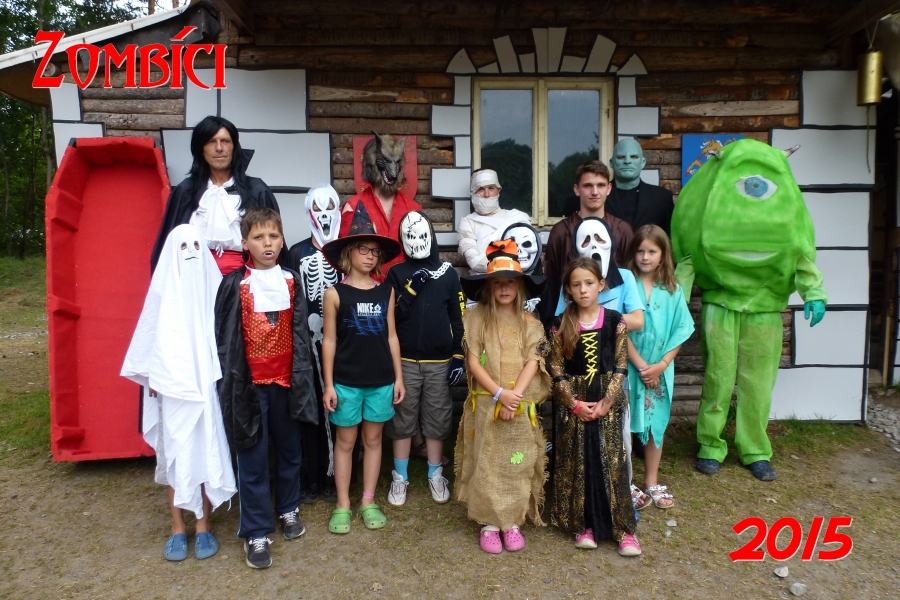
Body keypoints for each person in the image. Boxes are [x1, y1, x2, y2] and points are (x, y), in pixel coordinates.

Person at [672, 139, 827, 481]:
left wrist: (814, 292)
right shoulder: (707, 195)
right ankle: (710, 445)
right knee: (718, 378)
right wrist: (676, 302)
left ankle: (755, 449)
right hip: (721, 304)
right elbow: (688, 256)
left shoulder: (787, 206)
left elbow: (799, 249)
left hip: (766, 308)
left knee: (758, 383)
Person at [122, 224, 236, 562]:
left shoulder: (215, 289)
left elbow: (226, 335)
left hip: (206, 386)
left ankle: (203, 525)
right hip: (171, 387)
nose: (190, 252)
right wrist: (153, 377)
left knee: (204, 450)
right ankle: (176, 527)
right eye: (183, 246)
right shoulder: (161, 291)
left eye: (196, 246)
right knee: (176, 453)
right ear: (173, 251)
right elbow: (148, 336)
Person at [214, 208, 318, 569]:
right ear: (245, 243)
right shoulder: (234, 284)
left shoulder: (291, 280)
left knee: (290, 451)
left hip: (287, 383)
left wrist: (303, 379)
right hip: (249, 387)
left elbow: (300, 334)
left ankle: (288, 507)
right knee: (253, 458)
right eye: (259, 237)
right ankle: (256, 530)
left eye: (273, 236)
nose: (267, 243)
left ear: (282, 239)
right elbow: (224, 338)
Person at [455, 240, 551, 554]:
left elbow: (533, 361)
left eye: (510, 282)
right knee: (488, 460)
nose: (504, 288)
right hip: (487, 402)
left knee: (515, 462)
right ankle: (489, 522)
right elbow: (473, 362)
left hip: (519, 405)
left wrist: (514, 397)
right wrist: (498, 394)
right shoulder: (477, 318)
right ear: (489, 287)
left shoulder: (531, 323)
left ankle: (511, 520)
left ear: (520, 285)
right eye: (498, 283)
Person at [554, 216, 649, 512]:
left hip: (613, 377)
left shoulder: (625, 279)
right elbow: (562, 325)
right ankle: (585, 504)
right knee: (582, 446)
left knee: (619, 441)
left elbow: (637, 320)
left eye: (599, 239)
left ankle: (621, 496)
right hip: (578, 384)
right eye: (585, 240)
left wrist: (604, 321)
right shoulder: (573, 285)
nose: (593, 246)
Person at [321, 202, 405, 534]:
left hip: (381, 381)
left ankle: (368, 500)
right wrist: (329, 384)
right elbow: (329, 341)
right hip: (346, 382)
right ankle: (343, 503)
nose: (370, 256)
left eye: (375, 251)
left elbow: (392, 336)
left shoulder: (387, 291)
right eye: (363, 249)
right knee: (345, 442)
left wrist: (398, 377)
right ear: (349, 252)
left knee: (373, 440)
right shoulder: (334, 294)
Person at [548, 258, 640, 556]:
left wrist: (607, 402)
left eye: (589, 283)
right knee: (579, 463)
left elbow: (621, 365)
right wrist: (573, 404)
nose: (583, 290)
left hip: (607, 406)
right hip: (573, 408)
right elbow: (555, 367)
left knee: (612, 464)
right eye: (576, 285)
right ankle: (583, 525)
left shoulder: (615, 320)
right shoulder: (560, 324)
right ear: (568, 289)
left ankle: (624, 530)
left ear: (601, 285)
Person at [384, 211, 465, 506]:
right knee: (402, 417)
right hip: (404, 360)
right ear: (402, 239)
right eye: (411, 236)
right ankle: (400, 476)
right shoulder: (396, 273)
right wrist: (409, 291)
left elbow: (458, 316)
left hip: (439, 361)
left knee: (437, 415)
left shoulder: (448, 274)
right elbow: (390, 318)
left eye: (421, 235)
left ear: (431, 235)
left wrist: (458, 354)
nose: (417, 241)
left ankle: (435, 473)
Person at [151, 115, 280, 275]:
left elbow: (273, 243)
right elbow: (166, 249)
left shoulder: (256, 190)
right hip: (194, 278)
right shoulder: (186, 192)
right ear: (201, 149)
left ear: (234, 147)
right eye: (211, 142)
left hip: (245, 280)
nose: (219, 148)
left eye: (225, 141)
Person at [625, 225, 695, 509]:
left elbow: (682, 329)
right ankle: (625, 482)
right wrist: (643, 366)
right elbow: (618, 328)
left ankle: (651, 482)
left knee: (655, 424)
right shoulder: (626, 285)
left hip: (660, 370)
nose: (645, 257)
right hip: (629, 366)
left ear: (663, 255)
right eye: (640, 251)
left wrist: (661, 365)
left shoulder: (673, 289)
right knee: (625, 423)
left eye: (652, 251)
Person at [285, 183, 342, 505]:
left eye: (329, 208)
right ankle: (314, 475)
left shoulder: (345, 251)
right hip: (307, 346)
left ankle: (338, 475)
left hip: (342, 347)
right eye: (317, 209)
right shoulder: (297, 253)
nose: (323, 216)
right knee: (311, 413)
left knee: (341, 410)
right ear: (308, 213)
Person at [544, 160, 633, 326]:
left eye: (601, 185)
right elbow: (552, 282)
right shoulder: (561, 232)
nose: (595, 192)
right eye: (588, 186)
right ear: (577, 189)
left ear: (609, 188)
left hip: (615, 324)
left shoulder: (622, 230)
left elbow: (632, 278)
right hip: (571, 324)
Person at [340, 132, 422, 278]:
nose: (393, 171)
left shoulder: (414, 209)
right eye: (387, 161)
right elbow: (347, 256)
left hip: (406, 288)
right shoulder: (352, 207)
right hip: (368, 288)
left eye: (396, 162)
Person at [457, 169, 531, 274]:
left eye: (491, 188)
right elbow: (475, 262)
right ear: (473, 192)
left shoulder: (518, 218)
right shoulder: (467, 222)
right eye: (481, 189)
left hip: (515, 280)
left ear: (498, 190)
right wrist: (508, 264)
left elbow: (527, 257)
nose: (487, 194)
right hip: (483, 282)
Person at [605, 138, 675, 235]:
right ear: (611, 163)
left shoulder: (662, 198)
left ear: (643, 162)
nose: (627, 161)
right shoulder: (598, 196)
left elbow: (669, 239)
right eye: (621, 157)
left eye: (633, 157)